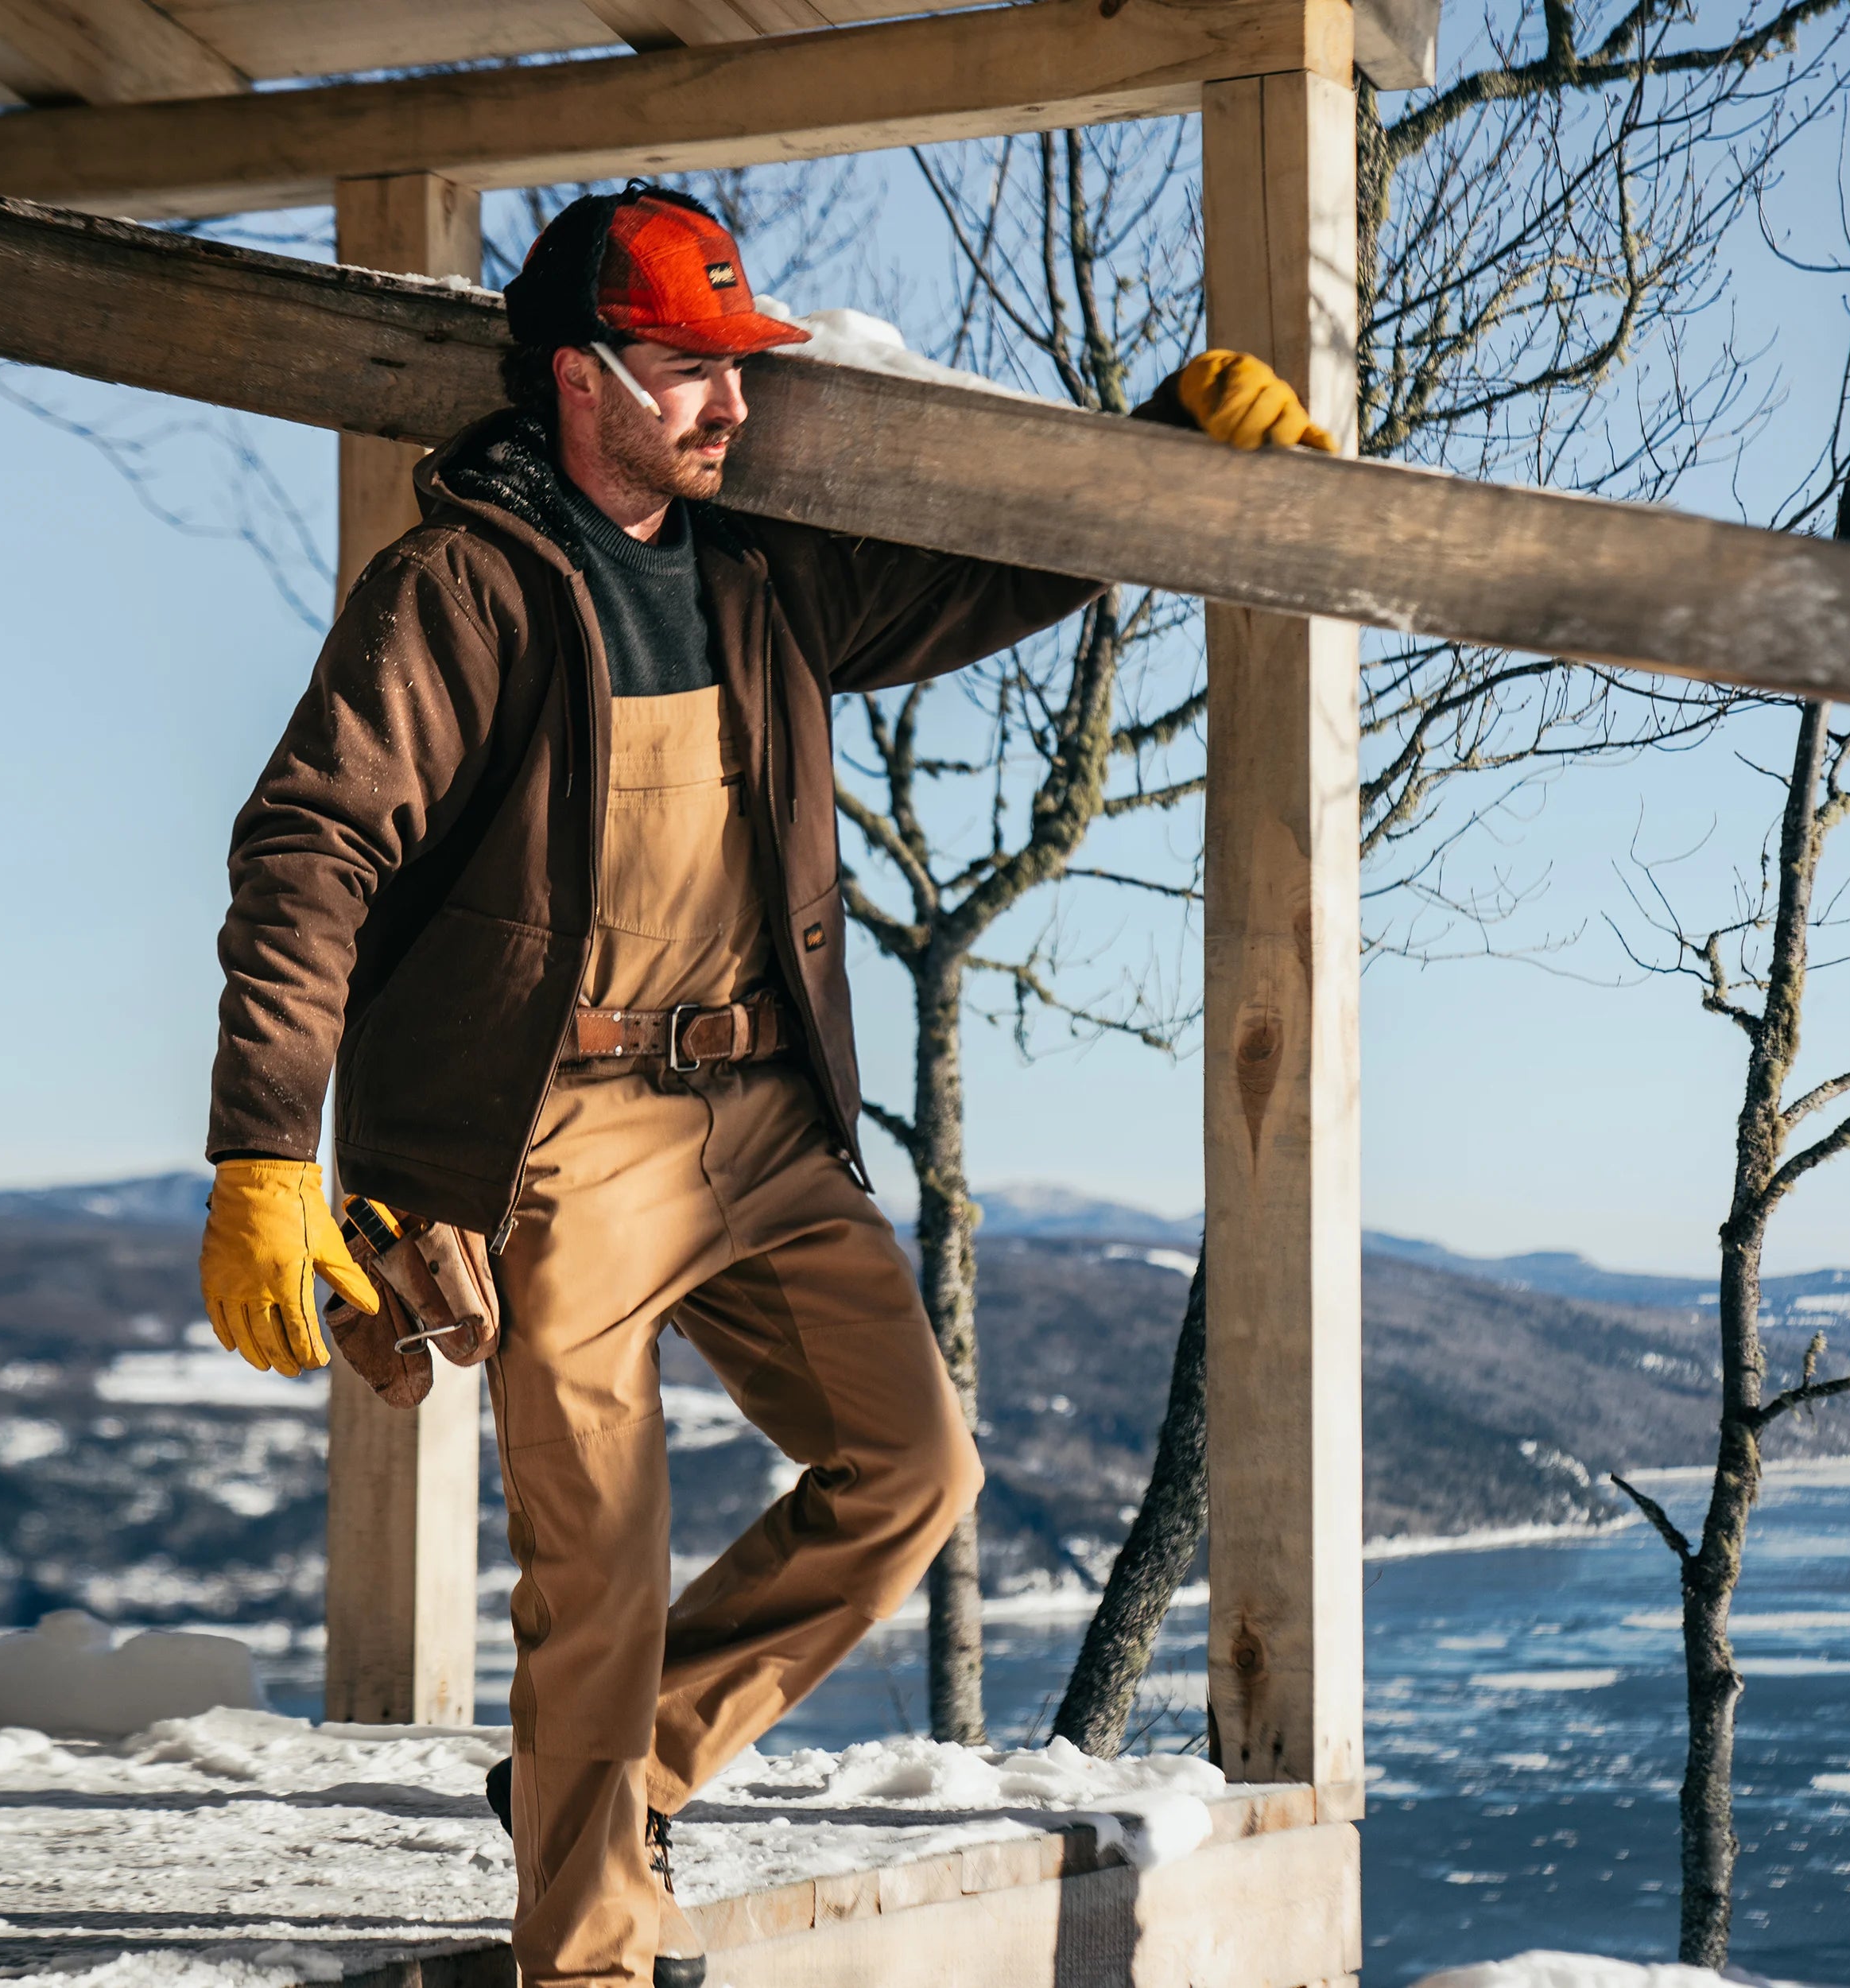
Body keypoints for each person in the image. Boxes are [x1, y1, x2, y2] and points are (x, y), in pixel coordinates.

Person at [196, 182, 1331, 1988]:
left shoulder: (759, 573)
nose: (734, 406)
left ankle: (616, 1770)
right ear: (578, 380)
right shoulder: (465, 588)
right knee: (598, 1563)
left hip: (766, 1120)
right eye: (688, 371)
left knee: (910, 1463)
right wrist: (265, 1141)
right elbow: (313, 841)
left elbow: (984, 578)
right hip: (554, 1139)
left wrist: (1157, 465)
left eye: (739, 368)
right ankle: (585, 1952)